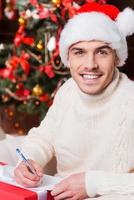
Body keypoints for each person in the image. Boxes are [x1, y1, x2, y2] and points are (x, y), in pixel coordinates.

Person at [14, 2, 134, 200]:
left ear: (116, 57)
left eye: (102, 52)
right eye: (79, 52)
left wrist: (91, 184)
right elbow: (43, 137)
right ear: (68, 58)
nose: (90, 65)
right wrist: (30, 159)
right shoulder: (68, 91)